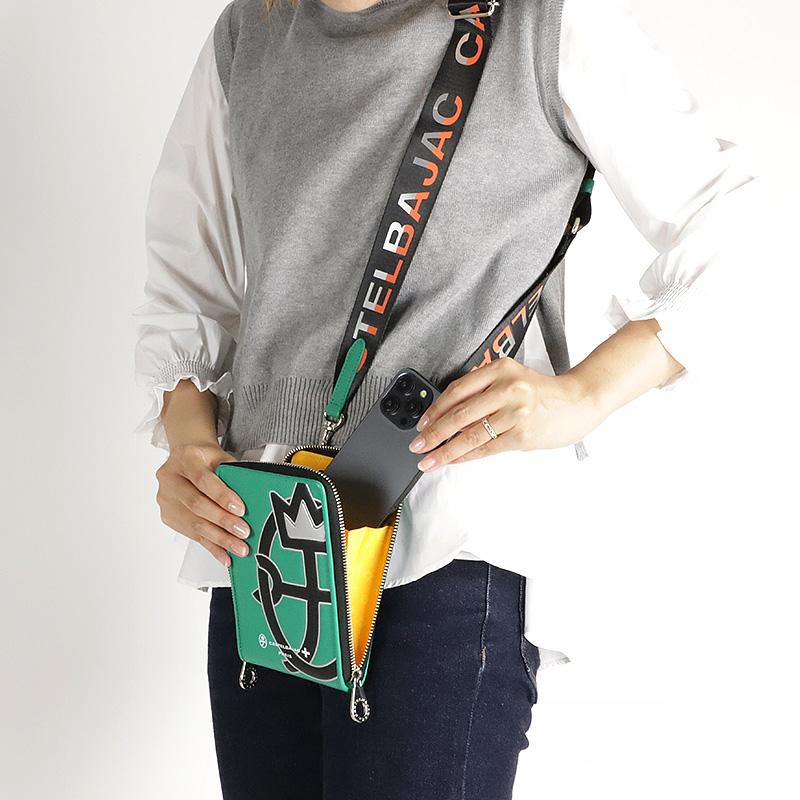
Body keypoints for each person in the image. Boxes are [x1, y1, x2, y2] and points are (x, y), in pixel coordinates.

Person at [133, 0, 756, 796]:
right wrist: (190, 442)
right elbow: (187, 284)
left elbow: (733, 223)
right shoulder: (249, 33)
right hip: (265, 547)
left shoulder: (542, 21)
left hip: (444, 541)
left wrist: (584, 394)